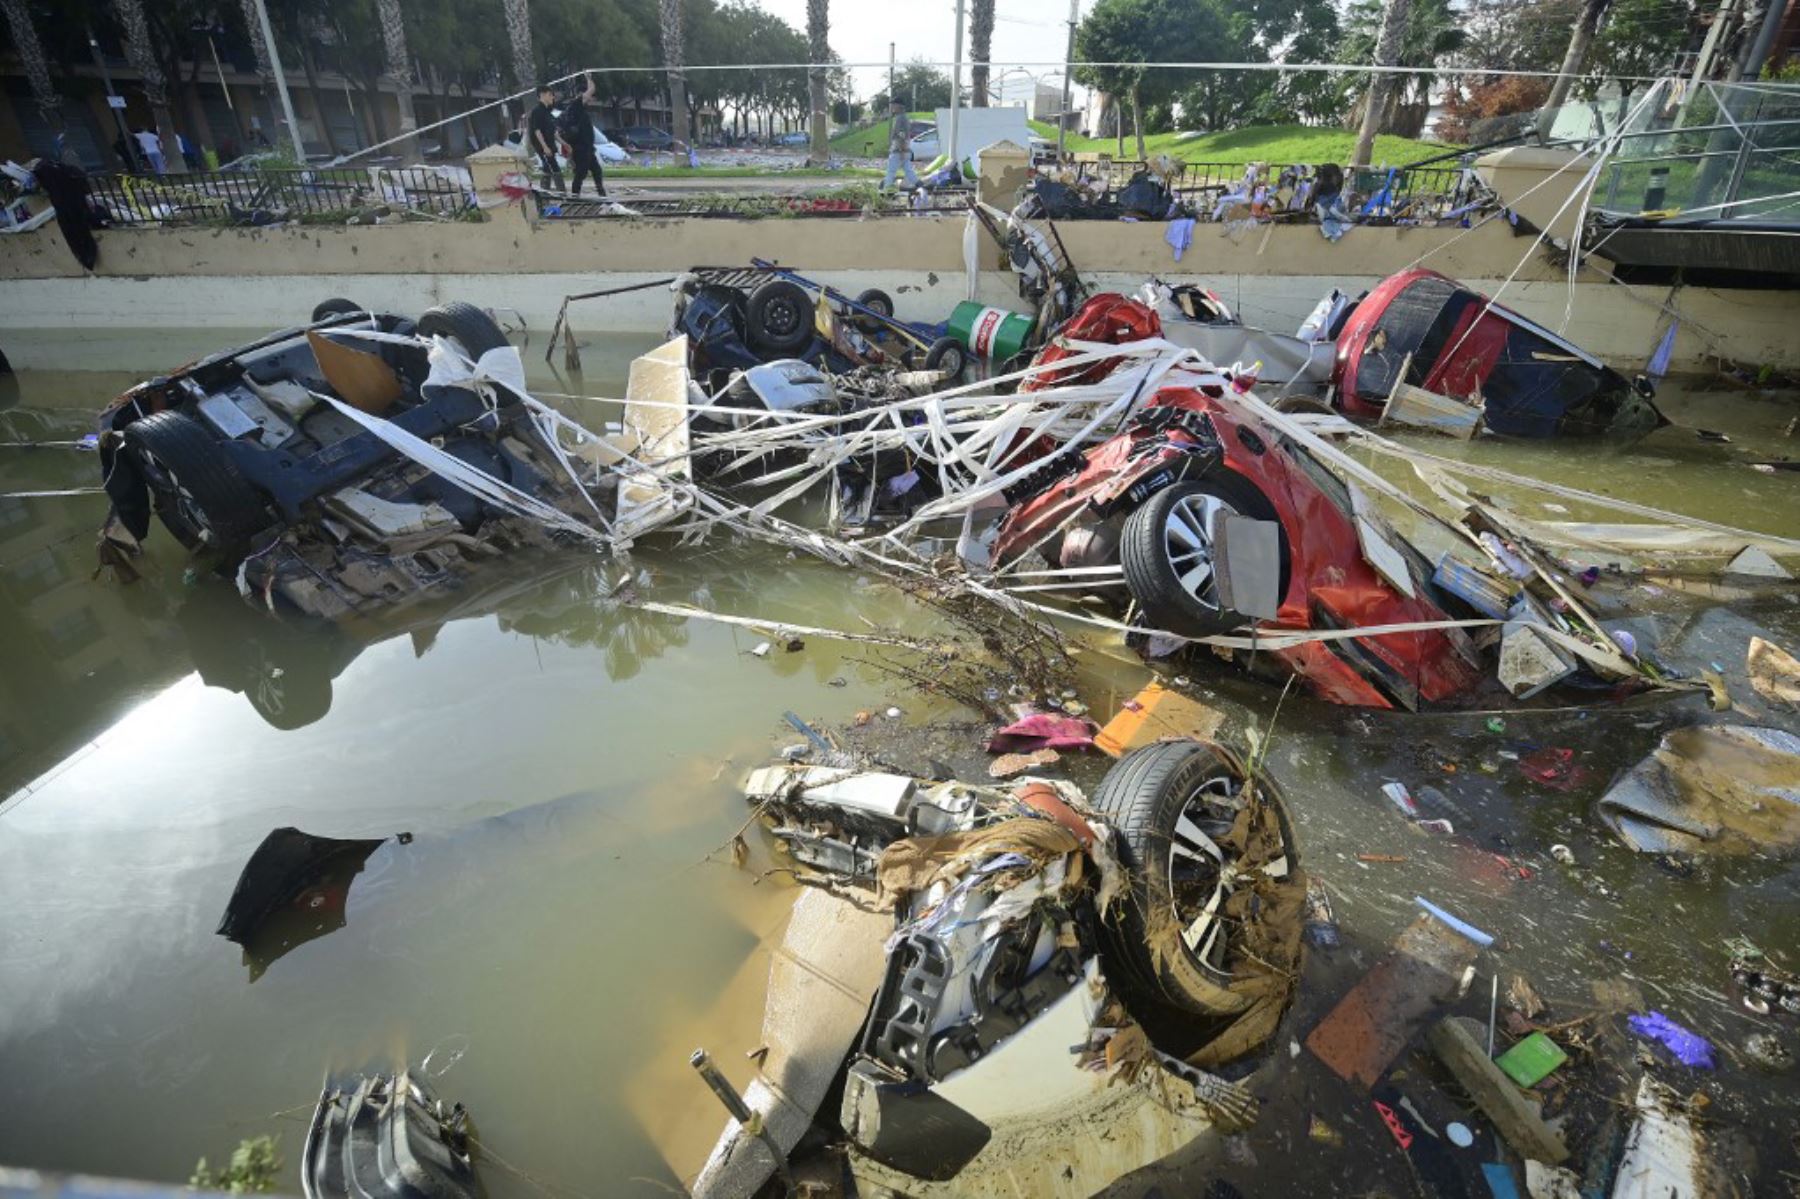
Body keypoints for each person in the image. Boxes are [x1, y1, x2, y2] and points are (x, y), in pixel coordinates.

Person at [558, 75, 605, 198]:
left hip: (587, 148)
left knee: (596, 170)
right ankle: (574, 196)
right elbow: (592, 89)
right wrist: (589, 77)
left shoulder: (576, 109)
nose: (591, 99)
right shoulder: (576, 104)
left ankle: (601, 194)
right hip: (581, 149)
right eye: (588, 97)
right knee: (581, 173)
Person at [528, 83, 565, 192]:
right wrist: (544, 147)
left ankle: (545, 195)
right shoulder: (537, 112)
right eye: (550, 94)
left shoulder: (547, 112)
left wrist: (564, 143)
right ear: (542, 95)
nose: (552, 97)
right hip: (542, 146)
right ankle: (562, 194)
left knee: (548, 169)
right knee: (554, 168)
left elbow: (553, 132)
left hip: (550, 145)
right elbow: (537, 131)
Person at [881, 100, 918, 192]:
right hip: (903, 149)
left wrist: (901, 150)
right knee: (909, 171)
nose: (891, 108)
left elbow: (902, 135)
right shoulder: (903, 117)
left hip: (898, 149)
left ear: (899, 106)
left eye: (893, 105)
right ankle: (920, 185)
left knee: (891, 171)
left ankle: (887, 190)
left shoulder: (900, 119)